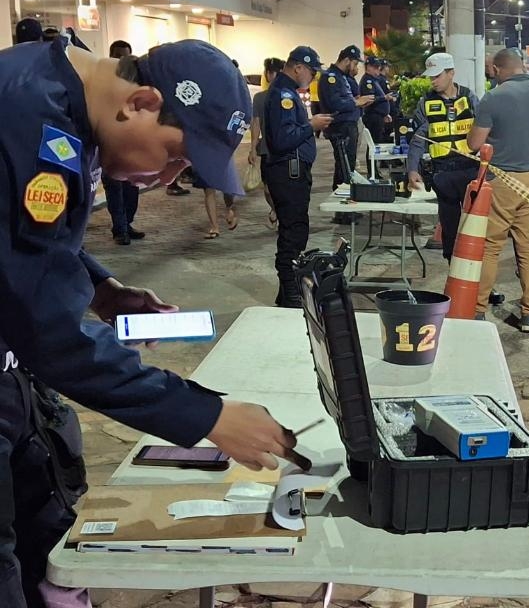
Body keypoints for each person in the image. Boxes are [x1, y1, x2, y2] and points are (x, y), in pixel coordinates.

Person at [0, 37, 302, 608]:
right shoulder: (23, 116)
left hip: (12, 371)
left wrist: (101, 289)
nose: (168, 179)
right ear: (140, 101)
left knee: (47, 534)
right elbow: (51, 335)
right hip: (17, 355)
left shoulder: (60, 99)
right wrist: (204, 415)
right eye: (174, 155)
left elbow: (26, 244)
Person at [468, 48, 529, 332]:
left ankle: (477, 310)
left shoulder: (494, 97)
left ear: (497, 69)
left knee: (489, 248)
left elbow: (475, 144)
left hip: (503, 180)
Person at [263, 46, 333, 307]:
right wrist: (311, 125)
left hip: (292, 171)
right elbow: (283, 140)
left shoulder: (288, 92)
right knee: (293, 232)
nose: (313, 77)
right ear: (298, 67)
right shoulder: (284, 95)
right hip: (287, 171)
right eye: (312, 71)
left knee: (295, 229)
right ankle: (291, 293)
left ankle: (286, 293)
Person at [407, 52, 480, 261]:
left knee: (475, 228)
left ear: (451, 73)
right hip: (443, 175)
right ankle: (453, 272)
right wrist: (412, 169)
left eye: (437, 76)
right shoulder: (426, 103)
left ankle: (479, 281)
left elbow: (485, 131)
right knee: (450, 229)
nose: (433, 81)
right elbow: (418, 140)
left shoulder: (470, 98)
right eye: (431, 76)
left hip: (470, 172)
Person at [100, 41, 145, 245]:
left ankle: (127, 224)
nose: (121, 59)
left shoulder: (134, 82)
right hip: (110, 147)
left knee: (131, 189)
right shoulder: (101, 82)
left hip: (132, 146)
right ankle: (119, 229)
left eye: (125, 56)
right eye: (118, 55)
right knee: (115, 190)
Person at [320, 48, 373, 191]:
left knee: (347, 165)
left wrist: (358, 101)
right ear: (346, 60)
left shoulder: (341, 77)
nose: (356, 68)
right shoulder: (330, 77)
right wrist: (356, 102)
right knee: (344, 166)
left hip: (348, 125)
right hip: (340, 127)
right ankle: (342, 202)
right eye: (355, 64)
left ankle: (345, 198)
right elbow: (334, 103)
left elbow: (344, 99)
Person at [249, 57, 285, 228]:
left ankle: (283, 216)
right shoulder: (259, 98)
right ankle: (276, 209)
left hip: (286, 151)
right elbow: (255, 123)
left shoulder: (288, 97)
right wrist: (252, 148)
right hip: (266, 151)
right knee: (267, 189)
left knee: (283, 187)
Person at [360, 56, 391, 143]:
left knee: (378, 141)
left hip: (378, 116)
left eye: (379, 67)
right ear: (369, 67)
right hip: (373, 116)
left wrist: (385, 113)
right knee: (375, 142)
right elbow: (369, 99)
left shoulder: (374, 80)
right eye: (376, 68)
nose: (378, 70)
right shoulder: (367, 81)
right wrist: (384, 98)